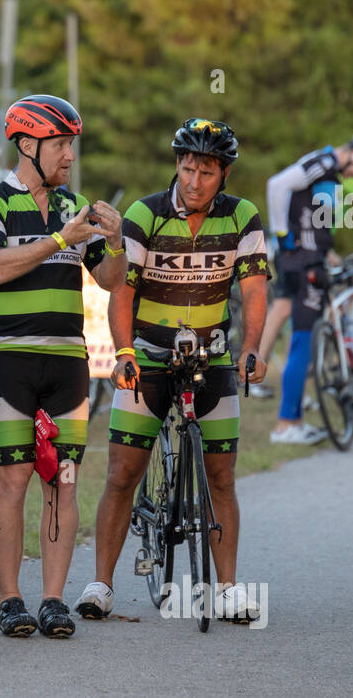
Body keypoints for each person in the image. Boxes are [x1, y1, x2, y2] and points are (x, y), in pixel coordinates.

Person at [75, 118, 268, 623]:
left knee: (222, 476)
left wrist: (251, 349)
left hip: (214, 356)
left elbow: (253, 292)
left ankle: (226, 590)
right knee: (122, 471)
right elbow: (123, 291)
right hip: (150, 353)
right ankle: (101, 584)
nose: (194, 180)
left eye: (206, 171)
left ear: (223, 173)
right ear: (176, 166)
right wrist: (123, 353)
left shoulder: (242, 217)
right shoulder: (146, 213)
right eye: (187, 168)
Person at [0, 95, 126, 639]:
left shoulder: (75, 208)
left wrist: (116, 239)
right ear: (28, 145)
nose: (70, 156)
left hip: (68, 360)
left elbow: (109, 281)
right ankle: (11, 599)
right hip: (8, 358)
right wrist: (61, 239)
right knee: (11, 480)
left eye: (72, 145)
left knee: (62, 479)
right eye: (61, 144)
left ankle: (54, 599)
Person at [261, 128, 353, 444]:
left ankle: (293, 417)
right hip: (301, 265)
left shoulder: (330, 171)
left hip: (310, 261)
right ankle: (285, 424)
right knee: (302, 342)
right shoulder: (323, 163)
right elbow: (276, 185)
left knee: (305, 342)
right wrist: (283, 239)